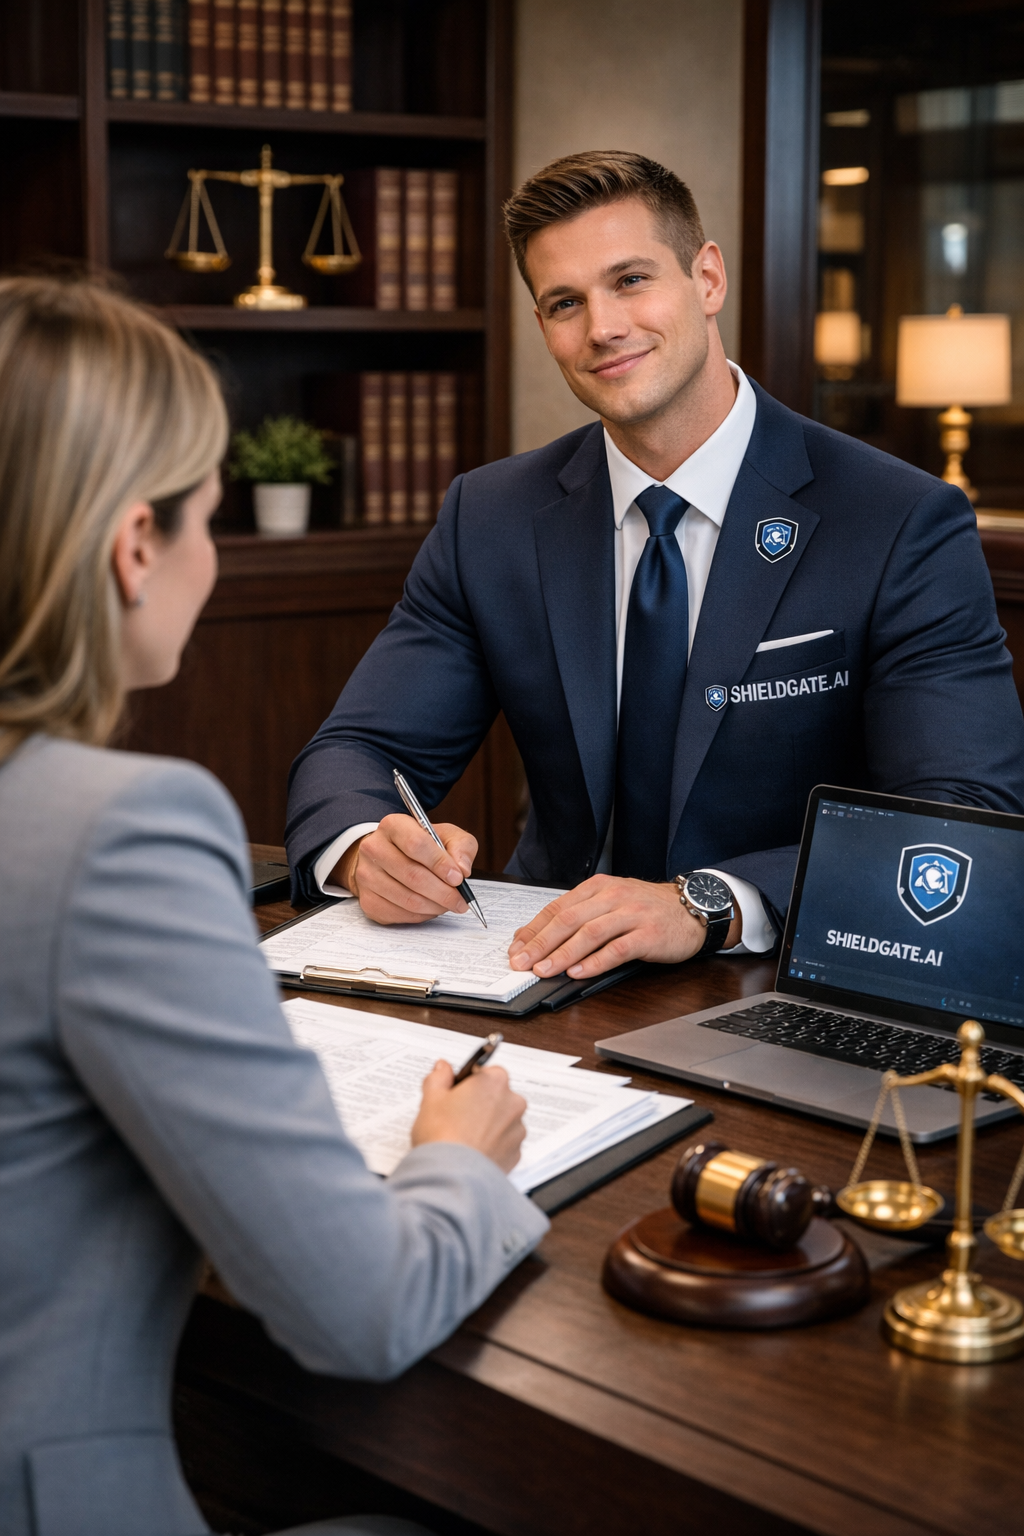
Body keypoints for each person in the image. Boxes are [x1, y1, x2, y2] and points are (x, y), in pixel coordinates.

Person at [0, 276, 547, 1536]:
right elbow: (359, 1312)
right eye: (209, 511)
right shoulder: (118, 829)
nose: (214, 548)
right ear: (136, 543)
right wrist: (457, 1163)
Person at [285, 150, 1024, 980]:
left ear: (707, 279)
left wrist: (710, 903)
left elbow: (963, 815)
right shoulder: (489, 517)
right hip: (541, 968)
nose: (602, 326)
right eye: (566, 302)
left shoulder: (895, 518)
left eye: (630, 280)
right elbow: (357, 751)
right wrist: (362, 851)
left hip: (785, 974)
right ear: (543, 327)